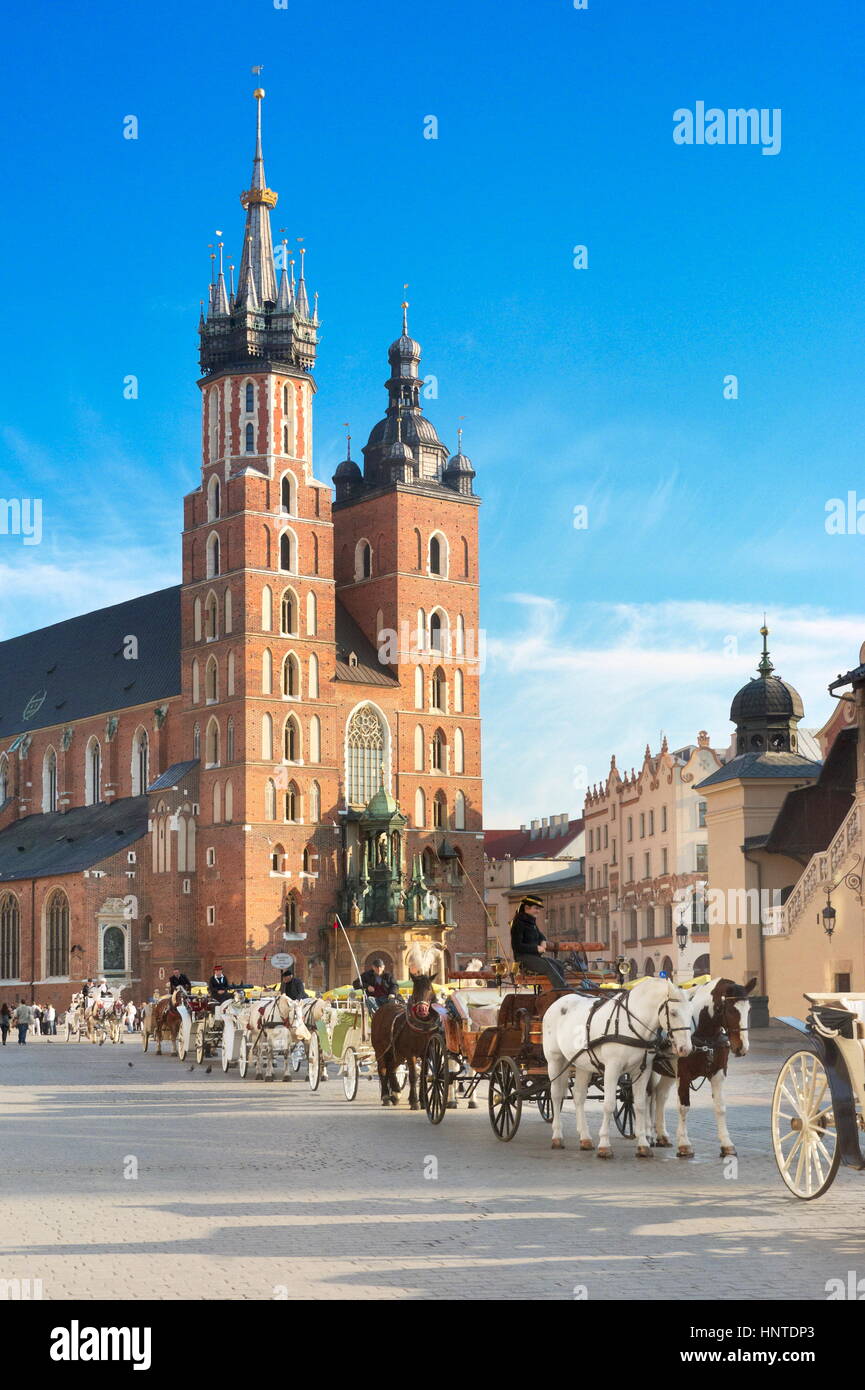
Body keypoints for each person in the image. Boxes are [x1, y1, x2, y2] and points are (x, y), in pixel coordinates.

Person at [510, 896, 569, 989]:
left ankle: (559, 988)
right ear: (526, 908)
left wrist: (543, 941)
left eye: (538, 909)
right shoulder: (519, 923)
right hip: (523, 959)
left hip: (534, 957)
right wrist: (536, 948)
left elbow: (540, 935)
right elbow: (516, 946)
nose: (538, 911)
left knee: (558, 963)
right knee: (548, 966)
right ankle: (561, 990)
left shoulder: (530, 922)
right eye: (536, 908)